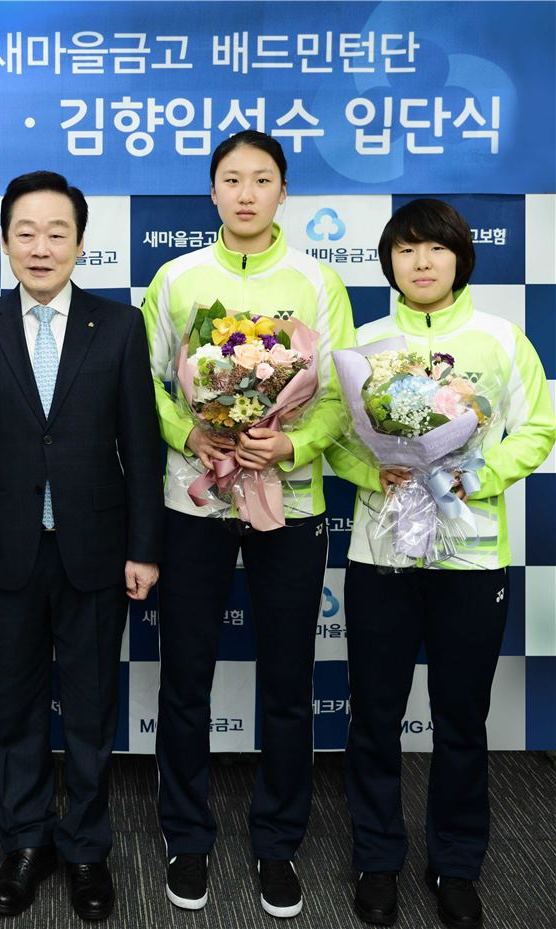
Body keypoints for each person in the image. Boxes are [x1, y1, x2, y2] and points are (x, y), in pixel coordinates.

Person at [0, 171, 163, 922]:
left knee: (91, 710)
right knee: (15, 705)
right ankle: (25, 840)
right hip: (5, 549)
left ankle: (88, 846)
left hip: (96, 547)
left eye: (56, 232)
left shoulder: (118, 325)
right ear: (4, 242)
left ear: (81, 243)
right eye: (25, 232)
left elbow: (142, 447)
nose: (41, 247)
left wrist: (144, 546)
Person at [141, 130, 356, 916]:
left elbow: (341, 393)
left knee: (289, 680)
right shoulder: (176, 278)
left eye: (261, 179)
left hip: (289, 502)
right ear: (212, 191)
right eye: (231, 179)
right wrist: (189, 434)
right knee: (185, 675)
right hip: (194, 498)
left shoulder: (319, 281)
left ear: (283, 192)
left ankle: (277, 841)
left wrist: (292, 442)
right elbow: (148, 382)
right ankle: (187, 835)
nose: (245, 193)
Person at [327, 199, 555, 929]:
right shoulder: (363, 345)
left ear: (461, 257)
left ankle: (456, 864)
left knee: (462, 719)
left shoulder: (501, 339)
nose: (421, 262)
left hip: (471, 557)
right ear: (388, 263)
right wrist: (373, 471)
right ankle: (377, 858)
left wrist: (473, 477)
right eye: (405, 250)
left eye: (435, 248)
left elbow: (539, 427)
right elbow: (335, 437)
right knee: (375, 715)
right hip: (381, 553)